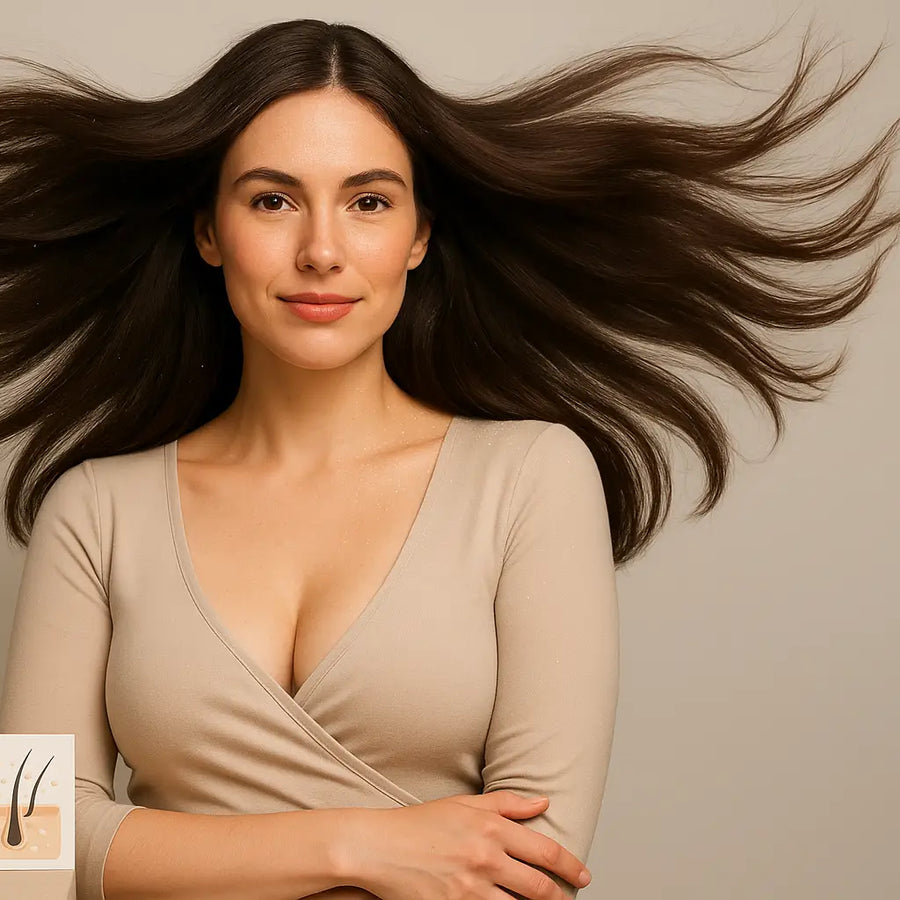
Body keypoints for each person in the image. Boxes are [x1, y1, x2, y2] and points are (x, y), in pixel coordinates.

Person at [0, 16, 897, 900]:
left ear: (419, 235)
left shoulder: (532, 479)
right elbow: (24, 846)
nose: (321, 251)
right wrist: (360, 846)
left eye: (369, 202)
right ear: (209, 232)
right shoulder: (95, 509)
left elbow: (533, 865)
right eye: (273, 200)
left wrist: (146, 848)